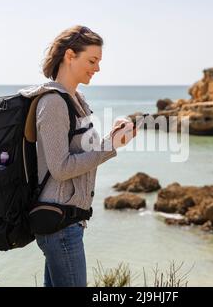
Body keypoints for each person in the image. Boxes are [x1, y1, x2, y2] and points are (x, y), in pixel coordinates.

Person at [28, 25, 135, 287]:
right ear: (69, 56)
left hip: (69, 222)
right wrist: (111, 147)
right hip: (59, 224)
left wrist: (114, 134)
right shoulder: (53, 102)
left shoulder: (77, 99)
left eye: (98, 61)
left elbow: (87, 150)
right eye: (92, 60)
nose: (97, 68)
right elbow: (61, 168)